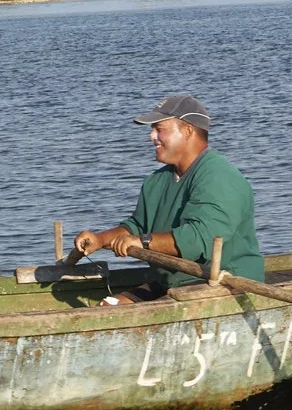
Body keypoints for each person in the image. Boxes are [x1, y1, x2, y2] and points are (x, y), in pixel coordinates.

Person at [75, 93, 264, 303]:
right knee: (109, 307)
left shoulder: (219, 176)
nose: (151, 136)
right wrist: (101, 239)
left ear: (188, 131)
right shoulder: (156, 181)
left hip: (221, 283)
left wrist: (142, 242)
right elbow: (137, 226)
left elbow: (199, 240)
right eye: (152, 130)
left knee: (142, 315)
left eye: (159, 129)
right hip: (168, 282)